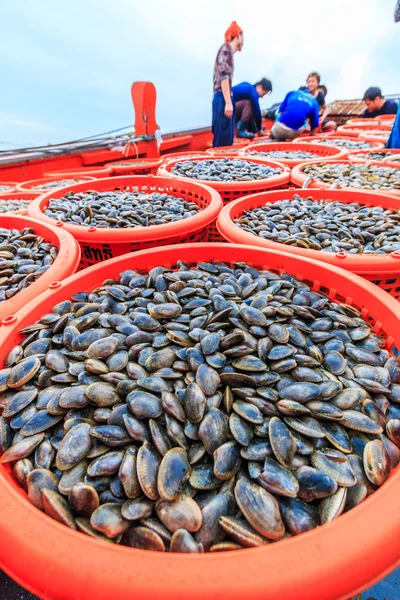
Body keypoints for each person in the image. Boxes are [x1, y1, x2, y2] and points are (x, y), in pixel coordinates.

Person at [212, 21, 244, 147]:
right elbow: (223, 75)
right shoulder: (226, 48)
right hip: (222, 98)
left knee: (227, 139)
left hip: (224, 98)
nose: (243, 41)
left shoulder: (229, 52)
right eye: (242, 37)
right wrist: (228, 102)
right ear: (237, 36)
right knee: (222, 142)